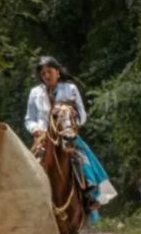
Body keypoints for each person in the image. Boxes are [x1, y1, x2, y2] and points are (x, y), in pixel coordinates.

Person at [24, 56, 117, 214]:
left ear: (57, 72)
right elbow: (29, 118)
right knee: (28, 164)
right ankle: (26, 201)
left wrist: (72, 127)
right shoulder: (35, 93)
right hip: (43, 136)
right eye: (43, 72)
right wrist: (35, 129)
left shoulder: (70, 89)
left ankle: (89, 192)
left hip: (67, 133)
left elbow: (82, 114)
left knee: (82, 159)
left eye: (49, 71)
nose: (46, 75)